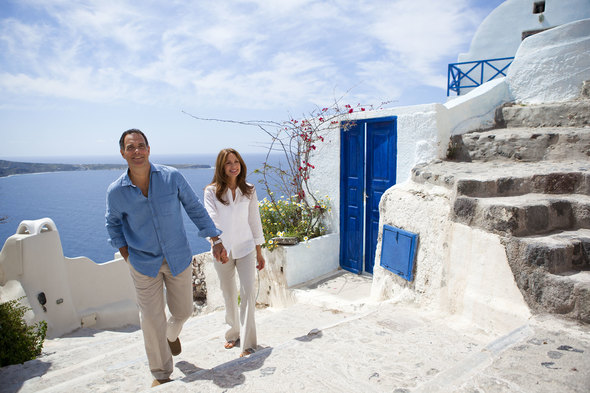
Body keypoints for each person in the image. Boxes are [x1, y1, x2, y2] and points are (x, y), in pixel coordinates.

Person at [105, 129, 227, 387]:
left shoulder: (172, 177)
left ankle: (172, 334)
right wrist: (127, 254)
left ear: (149, 149)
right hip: (142, 263)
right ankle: (161, 374)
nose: (136, 151)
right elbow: (113, 225)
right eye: (130, 147)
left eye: (141, 145)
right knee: (151, 319)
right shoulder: (116, 192)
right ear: (122, 153)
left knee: (183, 311)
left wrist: (215, 239)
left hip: (178, 258)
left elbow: (194, 207)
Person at [203, 148, 265, 358]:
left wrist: (259, 251)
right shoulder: (211, 192)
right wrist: (217, 244)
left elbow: (254, 221)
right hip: (223, 251)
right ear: (221, 166)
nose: (233, 166)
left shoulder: (249, 189)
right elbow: (210, 221)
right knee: (229, 294)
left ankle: (248, 344)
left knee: (248, 293)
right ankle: (233, 334)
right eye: (228, 162)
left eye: (236, 161)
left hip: (247, 248)